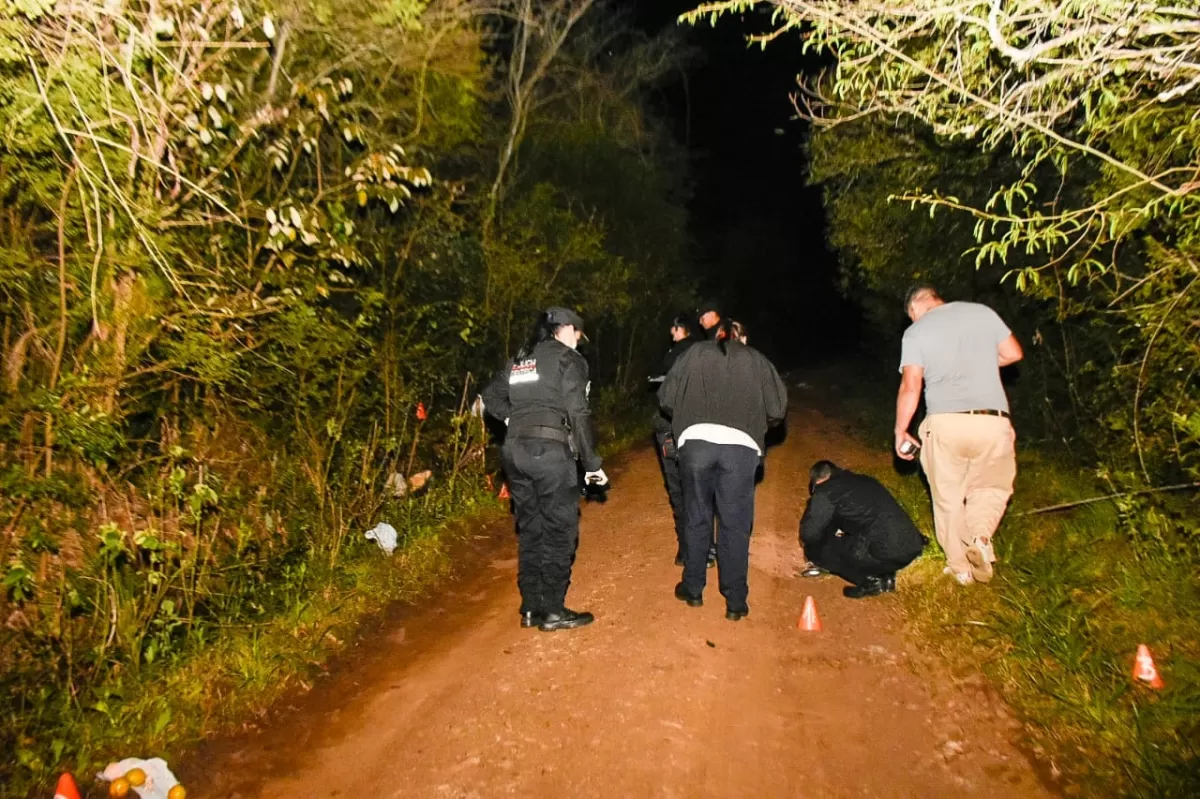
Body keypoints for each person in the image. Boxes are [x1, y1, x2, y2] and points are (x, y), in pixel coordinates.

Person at [481, 306, 607, 631]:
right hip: (549, 452)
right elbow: (578, 413)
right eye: (577, 334)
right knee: (559, 529)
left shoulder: (520, 359)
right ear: (564, 330)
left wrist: (513, 417)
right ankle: (552, 610)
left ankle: (529, 607)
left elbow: (490, 396)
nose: (578, 341)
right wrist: (591, 464)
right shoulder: (569, 360)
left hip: (514, 452)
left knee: (531, 528)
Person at [658, 318, 788, 621]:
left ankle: (692, 588)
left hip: (695, 444)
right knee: (734, 523)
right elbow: (778, 410)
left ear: (715, 334)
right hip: (739, 448)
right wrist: (753, 423)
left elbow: (665, 399)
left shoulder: (692, 354)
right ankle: (736, 601)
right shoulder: (757, 360)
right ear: (742, 337)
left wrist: (690, 415)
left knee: (697, 515)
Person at [894, 284, 1023, 585]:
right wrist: (979, 365)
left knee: (948, 497)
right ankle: (979, 538)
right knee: (991, 487)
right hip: (993, 421)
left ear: (915, 308)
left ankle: (960, 568)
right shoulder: (982, 313)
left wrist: (901, 428)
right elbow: (1013, 353)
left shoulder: (917, 331)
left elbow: (911, 386)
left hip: (945, 423)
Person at [798, 461, 926, 598]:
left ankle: (871, 580)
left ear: (816, 482)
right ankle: (886, 574)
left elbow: (809, 534)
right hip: (911, 548)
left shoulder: (826, 491)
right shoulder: (865, 481)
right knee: (864, 536)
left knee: (816, 550)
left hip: (885, 553)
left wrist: (812, 509)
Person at [649, 314, 716, 568]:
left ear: (679, 330)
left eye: (673, 329)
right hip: (700, 428)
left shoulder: (673, 354)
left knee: (678, 490)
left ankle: (687, 549)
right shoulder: (705, 350)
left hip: (670, 429)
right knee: (701, 488)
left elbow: (663, 393)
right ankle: (707, 548)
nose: (671, 333)